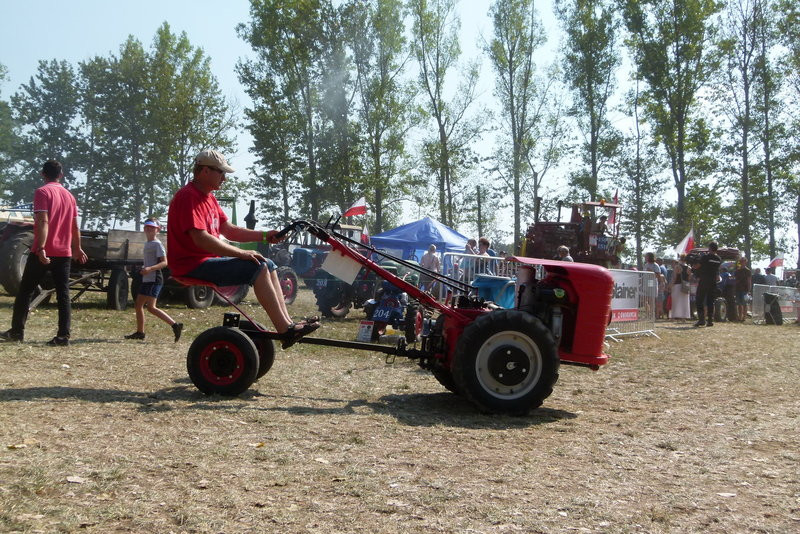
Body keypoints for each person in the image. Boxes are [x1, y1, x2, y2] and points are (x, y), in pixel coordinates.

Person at [167, 149, 318, 349]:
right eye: (221, 173)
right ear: (204, 171)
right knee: (257, 267)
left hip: (202, 262)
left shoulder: (209, 198)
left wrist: (265, 235)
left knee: (268, 264)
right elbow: (201, 240)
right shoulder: (188, 197)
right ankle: (285, 330)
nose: (225, 178)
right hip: (190, 265)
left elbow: (229, 230)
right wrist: (241, 253)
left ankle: (288, 324)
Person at [1, 160, 88, 346]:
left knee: (25, 291)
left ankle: (17, 331)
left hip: (45, 251)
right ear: (61, 175)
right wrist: (77, 247)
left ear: (43, 174)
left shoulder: (42, 192)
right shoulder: (69, 196)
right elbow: (74, 226)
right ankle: (63, 336)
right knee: (63, 294)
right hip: (64, 252)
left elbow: (43, 221)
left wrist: (40, 248)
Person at [124, 219, 183, 342]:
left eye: (152, 228)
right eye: (147, 227)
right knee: (149, 307)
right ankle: (174, 325)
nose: (149, 230)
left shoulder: (157, 244)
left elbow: (164, 262)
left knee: (141, 305)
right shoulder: (148, 243)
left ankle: (142, 332)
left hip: (154, 278)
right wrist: (144, 269)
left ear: (157, 229)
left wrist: (150, 269)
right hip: (148, 278)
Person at [693, 241, 721, 327]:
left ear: (709, 248)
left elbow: (697, 266)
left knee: (699, 299)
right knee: (710, 301)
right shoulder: (718, 259)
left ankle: (701, 319)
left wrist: (693, 265)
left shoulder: (705, 257)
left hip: (704, 280)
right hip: (713, 281)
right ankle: (710, 320)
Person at [668, 254, 691, 320]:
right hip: (685, 285)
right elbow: (689, 278)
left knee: (675, 301)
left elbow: (674, 278)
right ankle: (684, 317)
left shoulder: (677, 266)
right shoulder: (689, 267)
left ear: (680, 258)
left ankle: (673, 316)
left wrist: (670, 285)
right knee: (684, 302)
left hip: (677, 285)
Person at [643, 252, 665, 319]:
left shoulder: (655, 265)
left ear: (650, 257)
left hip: (652, 283)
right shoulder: (646, 265)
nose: (645, 257)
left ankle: (652, 314)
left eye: (646, 256)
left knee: (651, 300)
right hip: (645, 283)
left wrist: (651, 271)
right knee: (644, 299)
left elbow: (658, 276)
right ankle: (648, 313)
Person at [734, 257, 751, 322]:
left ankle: (744, 317)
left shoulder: (748, 271)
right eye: (741, 261)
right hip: (738, 289)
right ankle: (739, 317)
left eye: (743, 261)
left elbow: (749, 281)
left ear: (745, 262)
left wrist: (749, 290)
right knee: (739, 304)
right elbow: (735, 280)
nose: (742, 262)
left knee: (744, 304)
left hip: (745, 289)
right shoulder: (737, 271)